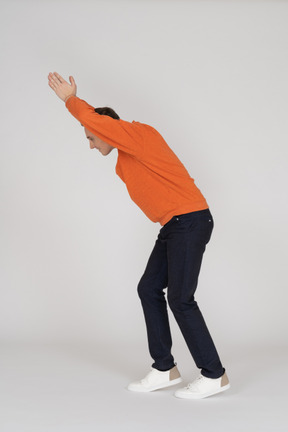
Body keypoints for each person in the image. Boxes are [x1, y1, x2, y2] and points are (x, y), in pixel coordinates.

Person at [47, 72, 230, 399]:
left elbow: (95, 120)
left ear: (106, 129)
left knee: (180, 299)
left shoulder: (138, 134)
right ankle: (164, 368)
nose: (90, 145)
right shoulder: (125, 158)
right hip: (174, 225)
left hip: (189, 220)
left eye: (91, 137)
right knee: (148, 288)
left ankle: (214, 374)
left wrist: (70, 100)